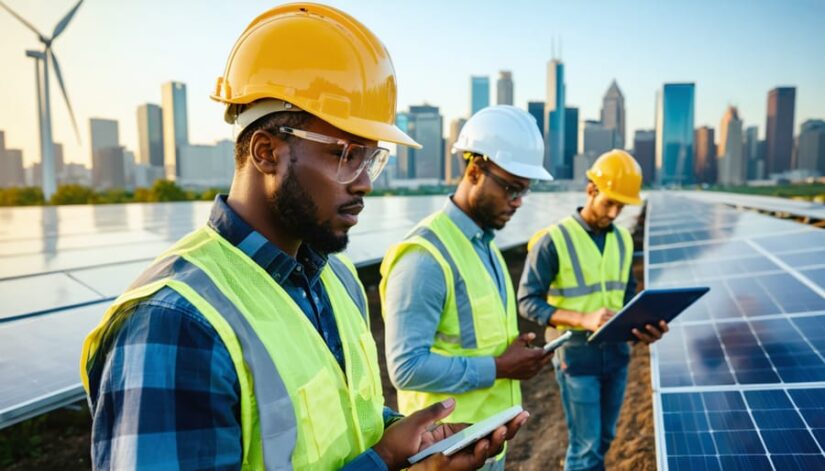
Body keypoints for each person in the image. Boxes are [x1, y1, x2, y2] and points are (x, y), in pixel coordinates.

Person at [79, 4, 527, 470]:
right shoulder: (175, 325)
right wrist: (382, 464)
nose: (365, 182)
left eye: (373, 159)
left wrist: (406, 440)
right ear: (267, 152)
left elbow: (345, 427)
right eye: (347, 154)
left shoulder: (337, 278)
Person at [380, 106, 554, 470]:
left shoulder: (486, 246)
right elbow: (406, 367)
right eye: (511, 188)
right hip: (443, 454)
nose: (519, 201)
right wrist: (500, 367)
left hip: (487, 443)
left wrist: (513, 353)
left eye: (525, 190)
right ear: (474, 170)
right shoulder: (424, 256)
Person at [517, 149, 668, 471]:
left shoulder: (624, 241)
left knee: (604, 439)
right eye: (609, 202)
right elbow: (528, 300)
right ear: (591, 190)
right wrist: (582, 319)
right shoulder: (553, 240)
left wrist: (644, 327)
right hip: (576, 357)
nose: (614, 212)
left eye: (621, 205)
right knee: (586, 449)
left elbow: (627, 297)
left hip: (617, 356)